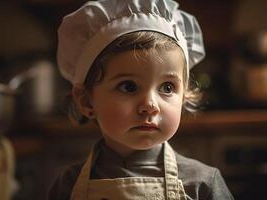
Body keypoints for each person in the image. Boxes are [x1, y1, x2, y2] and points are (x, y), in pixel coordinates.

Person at [49, 0, 234, 199]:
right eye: (128, 86)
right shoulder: (68, 185)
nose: (150, 106)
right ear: (86, 101)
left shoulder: (202, 184)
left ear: (183, 96)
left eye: (167, 87)